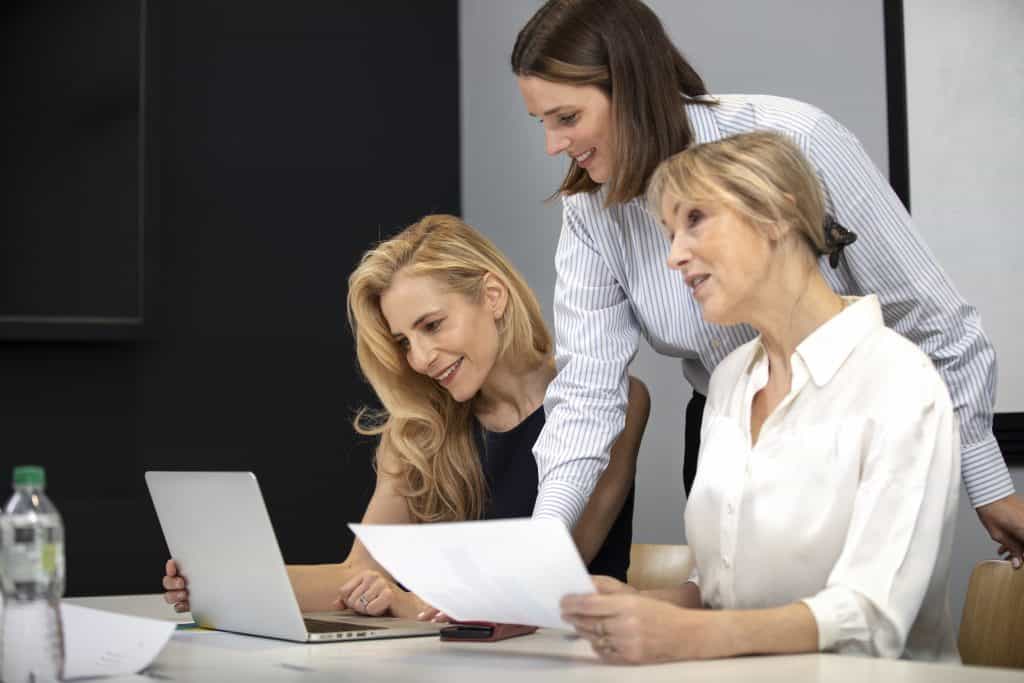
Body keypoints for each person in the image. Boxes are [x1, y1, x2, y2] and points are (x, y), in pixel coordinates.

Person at [511, 0, 1024, 565]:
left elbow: (929, 318)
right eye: (542, 122)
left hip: (843, 423)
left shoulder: (796, 138)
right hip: (725, 423)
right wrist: (543, 536)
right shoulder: (591, 208)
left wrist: (987, 480)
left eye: (567, 118)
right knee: (728, 601)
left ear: (630, 87)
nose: (553, 146)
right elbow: (587, 388)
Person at [562, 130, 960, 664]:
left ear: (777, 215)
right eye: (669, 234)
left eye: (695, 220)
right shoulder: (729, 380)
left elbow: (872, 619)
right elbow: (723, 591)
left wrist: (687, 635)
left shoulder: (900, 381)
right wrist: (637, 607)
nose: (673, 256)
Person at [161, 215, 650, 618]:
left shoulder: (617, 401)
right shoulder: (419, 428)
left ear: (493, 296)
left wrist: (407, 603)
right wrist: (225, 581)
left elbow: (552, 572)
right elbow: (358, 573)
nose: (420, 358)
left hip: (576, 658)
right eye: (404, 342)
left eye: (432, 325)